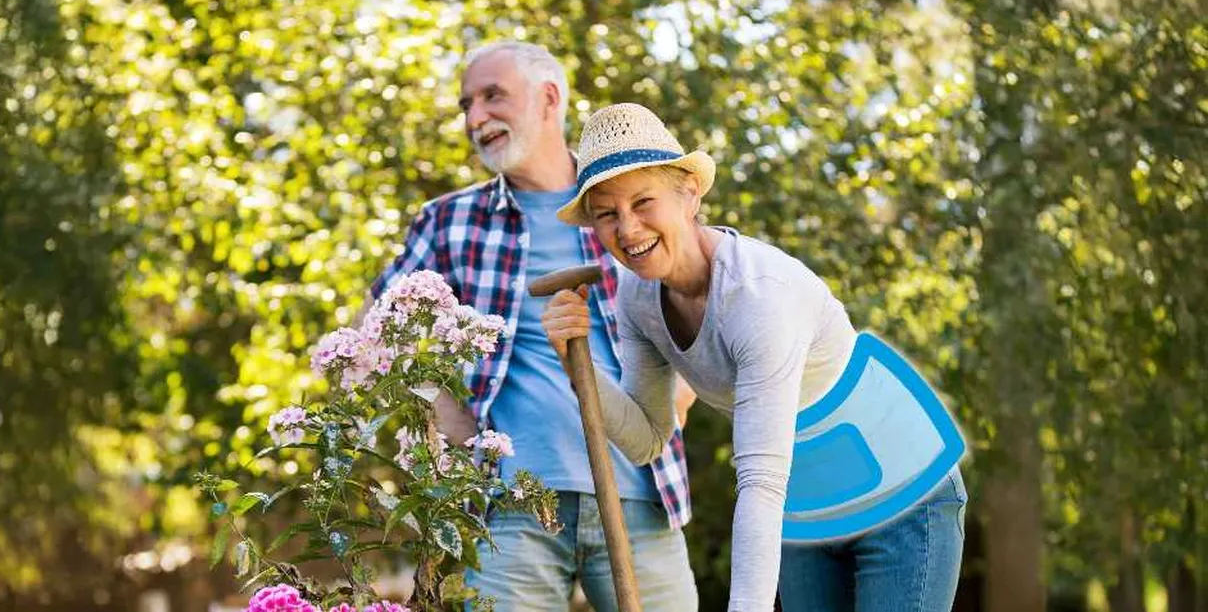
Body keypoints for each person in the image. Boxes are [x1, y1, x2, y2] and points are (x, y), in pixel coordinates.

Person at [541, 102, 968, 612]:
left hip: (900, 493)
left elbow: (761, 479)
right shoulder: (636, 298)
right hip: (808, 502)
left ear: (689, 195)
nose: (628, 229)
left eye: (643, 202)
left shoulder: (757, 296)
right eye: (607, 214)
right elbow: (647, 439)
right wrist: (574, 362)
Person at [370, 44, 699, 611]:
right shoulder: (449, 222)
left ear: (549, 98)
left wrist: (682, 391)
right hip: (511, 508)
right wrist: (440, 409)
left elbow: (691, 306)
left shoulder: (626, 205)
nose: (475, 118)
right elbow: (373, 333)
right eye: (467, 104)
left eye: (493, 96)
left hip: (641, 497)